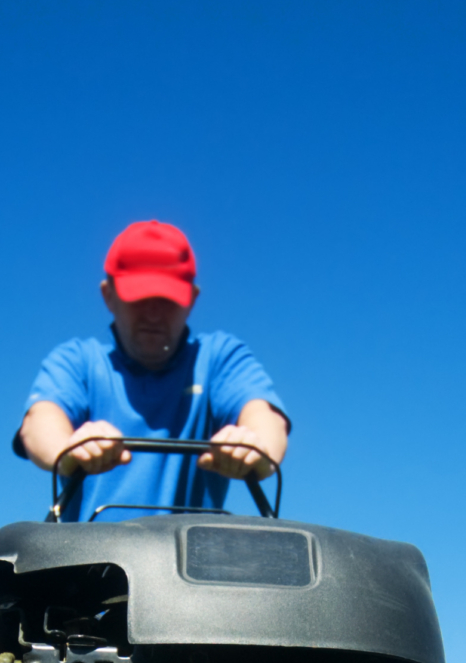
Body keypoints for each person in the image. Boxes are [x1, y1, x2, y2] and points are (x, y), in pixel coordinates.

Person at [16, 221, 291, 521]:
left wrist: (254, 448)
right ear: (109, 295)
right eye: (140, 298)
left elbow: (266, 421)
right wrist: (68, 450)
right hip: (83, 564)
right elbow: (39, 423)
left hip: (189, 565)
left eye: (167, 299)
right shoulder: (77, 360)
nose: (153, 314)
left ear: (192, 300)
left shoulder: (218, 358)